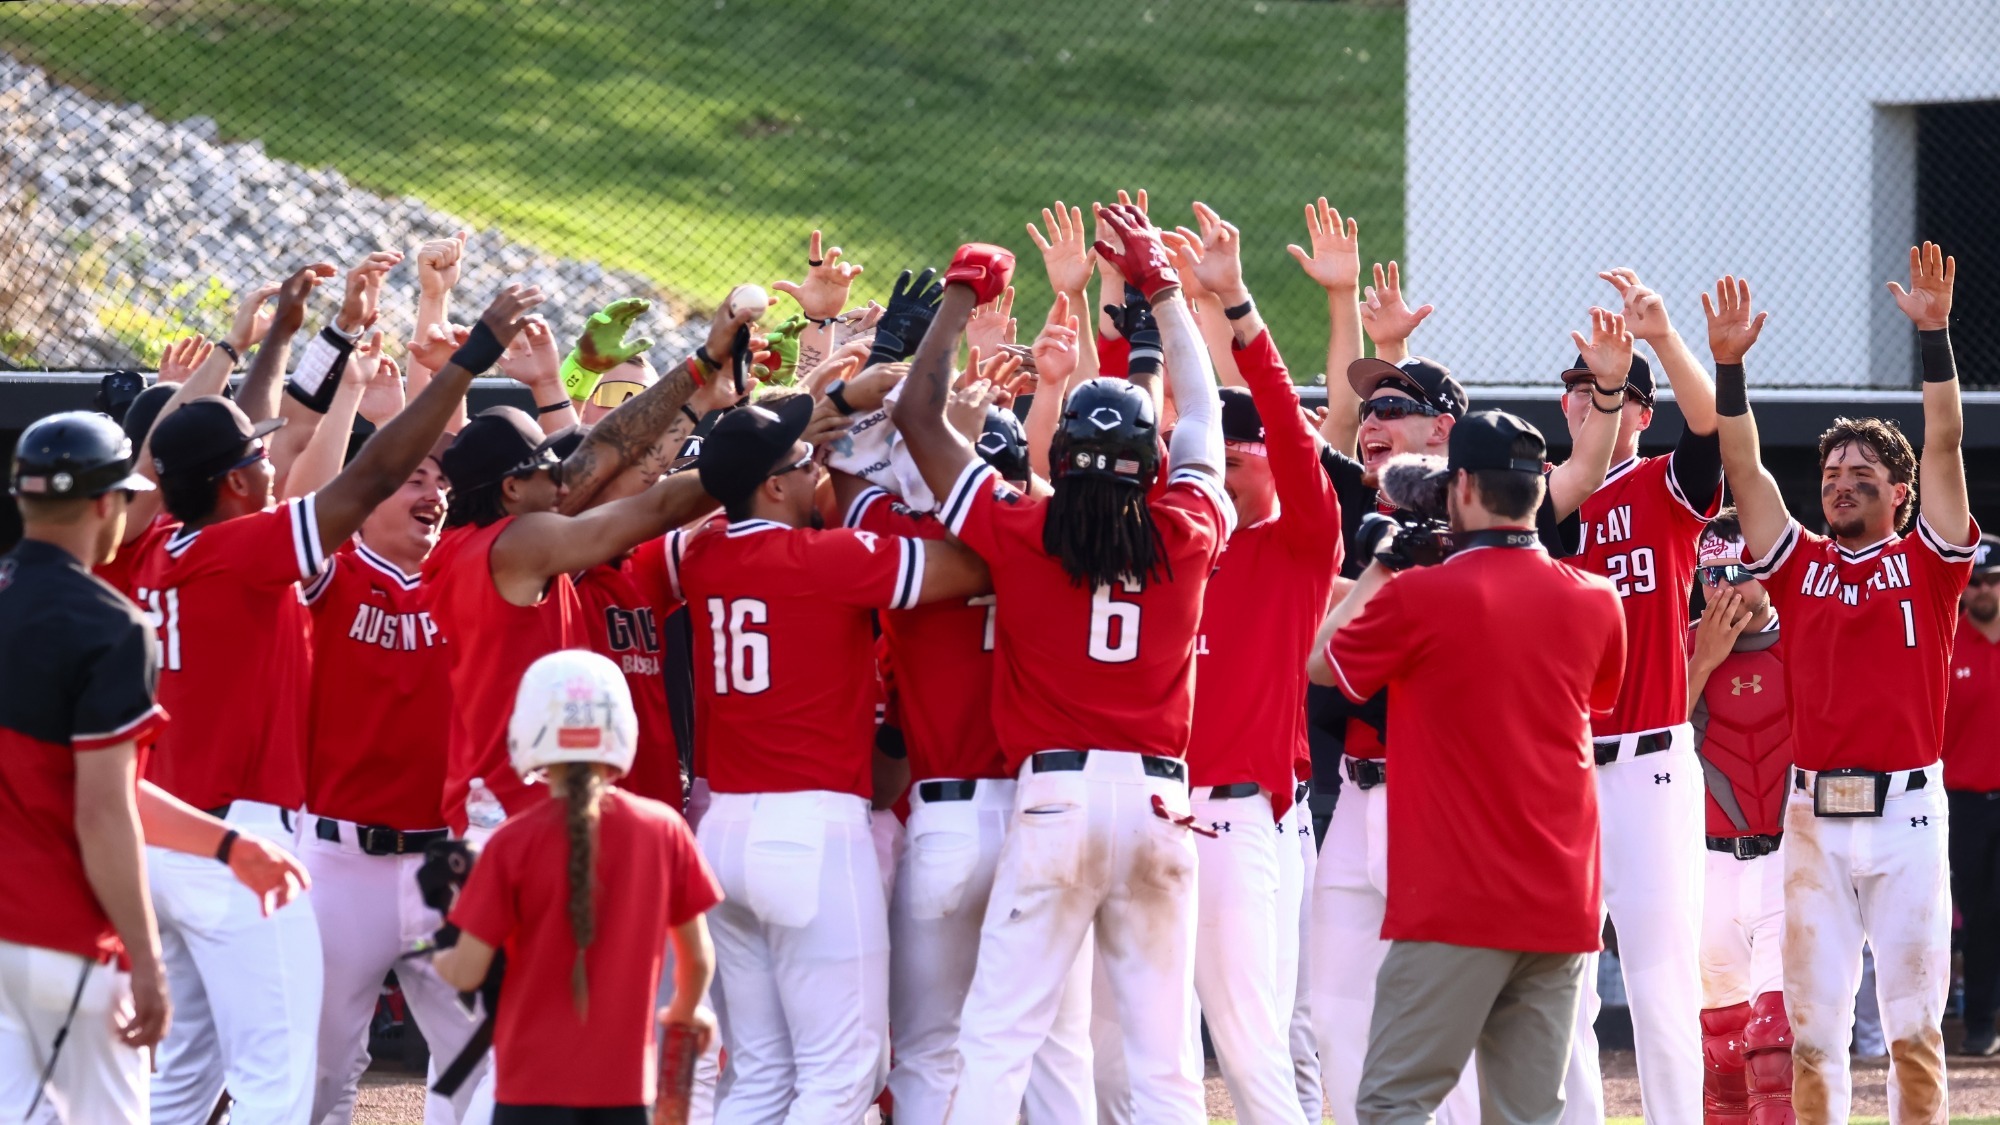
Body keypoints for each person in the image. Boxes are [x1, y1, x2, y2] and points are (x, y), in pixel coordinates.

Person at [130, 267, 542, 1125]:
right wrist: (469, 356)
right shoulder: (243, 553)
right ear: (233, 484)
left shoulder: (158, 541)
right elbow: (366, 472)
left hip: (173, 834)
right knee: (285, 1084)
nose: (270, 461)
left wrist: (286, 336)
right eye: (256, 458)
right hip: (245, 841)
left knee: (184, 1077)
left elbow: (251, 433)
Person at [893, 210, 1235, 1125]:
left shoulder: (1022, 529)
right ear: (1145, 462)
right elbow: (1202, 409)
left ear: (1063, 457)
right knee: (1163, 1060)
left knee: (999, 1036)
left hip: (1052, 800)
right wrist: (1162, 288)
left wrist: (961, 295)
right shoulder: (1186, 529)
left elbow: (916, 417)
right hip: (1163, 801)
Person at [1310, 306, 1627, 1125]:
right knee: (1528, 1115)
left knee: (1392, 1103)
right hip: (1560, 901)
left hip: (1456, 897)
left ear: (1459, 483)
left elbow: (1323, 663)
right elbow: (1596, 699)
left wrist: (1385, 561)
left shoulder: (1419, 593)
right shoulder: (1597, 601)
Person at [662, 391, 990, 1121]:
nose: (817, 469)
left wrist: (851, 459)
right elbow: (974, 566)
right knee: (844, 1068)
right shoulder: (824, 558)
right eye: (803, 461)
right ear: (773, 485)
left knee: (759, 1073)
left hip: (724, 834)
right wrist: (943, 463)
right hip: (808, 833)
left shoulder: (706, 549)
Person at [1709, 247, 1979, 1123]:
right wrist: (1730, 367)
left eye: (1863, 474)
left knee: (1913, 1031)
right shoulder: (1799, 562)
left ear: (1899, 492)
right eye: (1830, 473)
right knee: (1814, 1036)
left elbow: (1944, 438)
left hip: (1906, 814)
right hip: (1812, 818)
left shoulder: (1931, 560)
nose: (1841, 482)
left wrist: (1935, 338)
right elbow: (1745, 469)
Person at [1, 412, 307, 1123]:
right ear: (108, 503)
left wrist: (227, 844)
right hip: (57, 937)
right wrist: (145, 958)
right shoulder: (108, 623)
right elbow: (108, 806)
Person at [426, 289, 763, 836]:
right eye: (547, 471)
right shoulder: (516, 544)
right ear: (511, 488)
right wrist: (758, 448)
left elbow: (603, 448)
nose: (564, 478)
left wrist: (700, 369)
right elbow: (650, 506)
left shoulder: (480, 539)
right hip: (513, 817)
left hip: (519, 808)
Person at [1175, 207, 1339, 1125]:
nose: (1230, 469)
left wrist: (1236, 305)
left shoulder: (1295, 544)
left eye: (1247, 457)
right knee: (1144, 1048)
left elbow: (1284, 422)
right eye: (1220, 454)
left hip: (1244, 818)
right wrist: (1148, 301)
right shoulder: (1171, 538)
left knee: (1253, 1045)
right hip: (1158, 810)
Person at [1560, 268, 1727, 1125]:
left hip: (1653, 764)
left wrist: (1659, 338)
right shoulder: (1543, 501)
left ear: (1639, 410)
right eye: (1578, 386)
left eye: (1607, 389)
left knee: (1665, 989)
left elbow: (1714, 430)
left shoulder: (1663, 485)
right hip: (1562, 772)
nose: (1585, 401)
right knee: (1565, 990)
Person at [435, 649, 721, 1125]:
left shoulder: (510, 843)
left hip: (527, 1093)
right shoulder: (664, 830)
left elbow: (466, 973)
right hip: (627, 1092)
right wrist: (687, 1012)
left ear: (528, 734)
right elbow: (697, 957)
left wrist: (436, 954)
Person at [296, 422, 489, 1125]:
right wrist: (349, 396)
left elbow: (485, 470)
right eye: (414, 478)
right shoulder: (335, 570)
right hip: (340, 861)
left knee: (480, 1060)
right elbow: (307, 500)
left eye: (441, 482)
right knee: (317, 1071)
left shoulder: (466, 572)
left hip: (444, 858)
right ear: (369, 492)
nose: (434, 491)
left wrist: (444, 361)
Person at [1685, 512, 1793, 1125]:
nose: (1724, 589)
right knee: (1722, 1054)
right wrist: (1703, 659)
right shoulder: (1681, 643)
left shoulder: (1807, 636)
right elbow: (1653, 745)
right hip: (1709, 862)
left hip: (1788, 858)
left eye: (1740, 573)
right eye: (1711, 576)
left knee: (1773, 1051)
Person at [1945, 534, 2000, 1055]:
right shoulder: (1946, 643)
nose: (1981, 589)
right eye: (1974, 581)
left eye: (1991, 579)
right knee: (1979, 917)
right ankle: (1981, 1026)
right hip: (1961, 803)